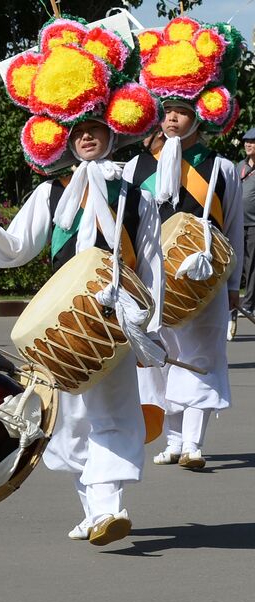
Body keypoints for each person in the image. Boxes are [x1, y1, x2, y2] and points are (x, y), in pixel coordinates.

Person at [0, 15, 163, 545]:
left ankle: (107, 505)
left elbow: (152, 263)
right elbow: (14, 250)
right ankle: (91, 504)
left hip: (112, 321)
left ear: (112, 131)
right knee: (67, 424)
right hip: (61, 328)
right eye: (80, 132)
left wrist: (149, 322)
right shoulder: (51, 195)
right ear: (66, 138)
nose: (88, 139)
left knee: (114, 413)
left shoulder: (136, 197)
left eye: (96, 130)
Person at [129, 16, 244, 471]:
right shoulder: (144, 166)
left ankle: (194, 442)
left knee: (202, 353)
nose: (172, 117)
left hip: (206, 276)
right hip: (157, 274)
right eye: (167, 110)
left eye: (181, 110)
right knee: (163, 356)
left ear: (199, 114)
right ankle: (174, 440)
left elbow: (232, 229)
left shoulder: (223, 168)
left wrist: (232, 284)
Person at [236, 128, 255, 327]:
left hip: (254, 224)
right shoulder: (239, 166)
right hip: (238, 222)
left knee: (252, 267)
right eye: (246, 141)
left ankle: (248, 303)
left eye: (253, 142)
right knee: (237, 264)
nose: (248, 144)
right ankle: (236, 302)